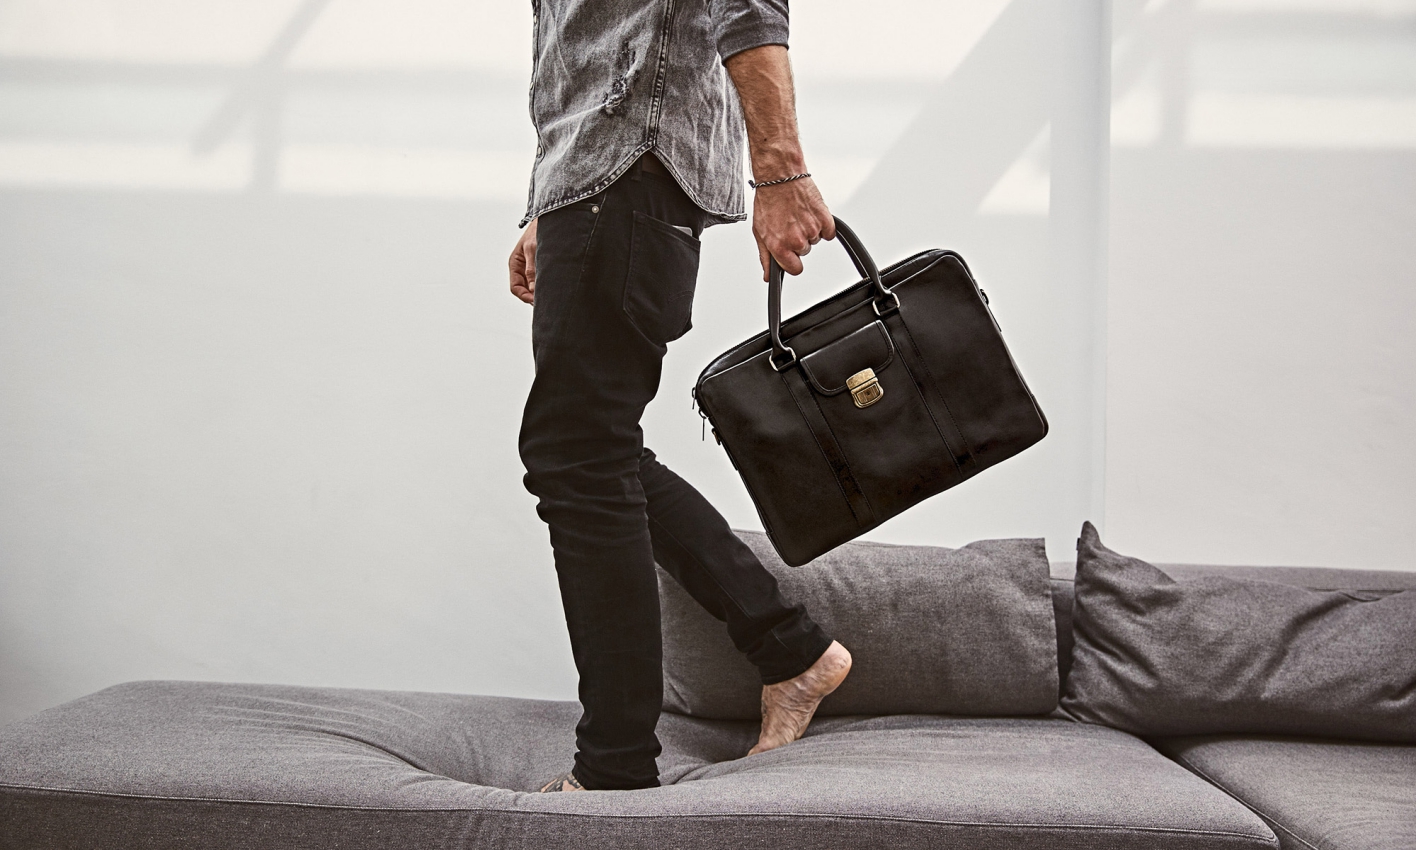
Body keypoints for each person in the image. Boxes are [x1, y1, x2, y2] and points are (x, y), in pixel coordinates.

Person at [508, 0, 852, 793]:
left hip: (628, 171)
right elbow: (577, 44)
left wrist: (782, 170)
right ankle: (790, 648)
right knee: (594, 451)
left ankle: (615, 770)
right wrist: (549, 199)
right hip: (597, 179)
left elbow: (748, 7)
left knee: (578, 459)